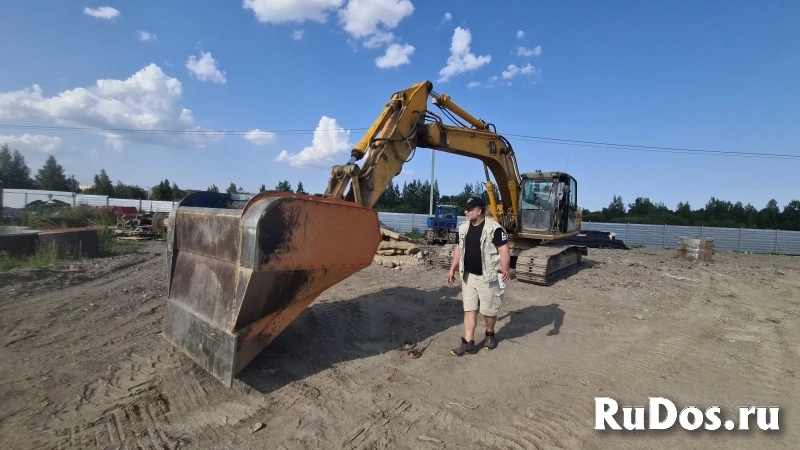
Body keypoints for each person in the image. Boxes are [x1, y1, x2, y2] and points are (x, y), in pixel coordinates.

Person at [447, 196, 511, 355]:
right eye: (466, 209)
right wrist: (452, 269)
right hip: (468, 277)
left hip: (487, 278)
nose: (466, 211)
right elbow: (459, 249)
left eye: (469, 209)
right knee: (469, 309)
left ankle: (490, 333)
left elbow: (504, 250)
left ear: (479, 210)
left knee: (489, 312)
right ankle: (468, 342)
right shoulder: (463, 228)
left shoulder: (494, 229)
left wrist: (505, 269)